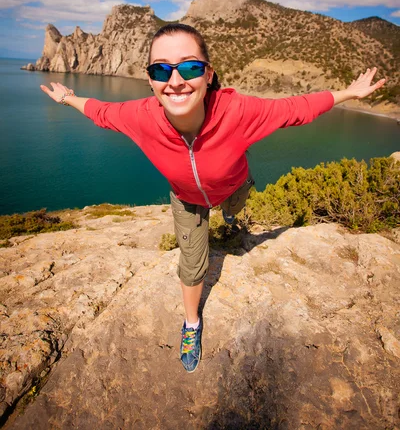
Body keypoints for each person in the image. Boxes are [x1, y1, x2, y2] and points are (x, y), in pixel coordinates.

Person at [40, 22, 386, 373]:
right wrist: (67, 98)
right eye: (161, 69)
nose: (175, 81)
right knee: (192, 264)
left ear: (208, 75)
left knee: (235, 205)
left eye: (189, 67)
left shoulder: (238, 112)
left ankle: (232, 213)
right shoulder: (140, 117)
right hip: (187, 199)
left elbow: (297, 108)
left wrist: (347, 93)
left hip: (233, 187)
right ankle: (191, 324)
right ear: (150, 80)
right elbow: (100, 112)